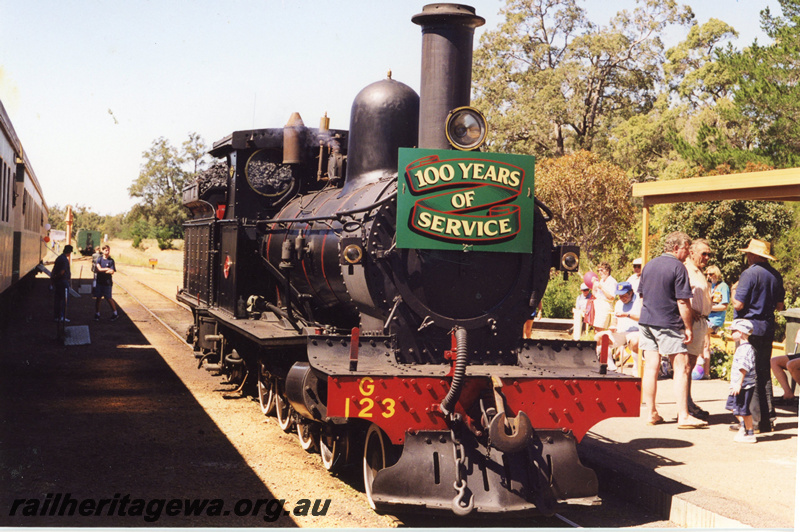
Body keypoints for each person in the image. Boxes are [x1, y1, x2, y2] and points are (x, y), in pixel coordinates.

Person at [638, 231, 706, 428]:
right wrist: (688, 328)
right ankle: (683, 416)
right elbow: (683, 302)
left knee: (651, 368)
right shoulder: (678, 267)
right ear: (676, 248)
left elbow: (642, 297)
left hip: (646, 321)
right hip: (668, 322)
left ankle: (651, 413)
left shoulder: (649, 265)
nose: (688, 253)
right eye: (686, 249)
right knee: (682, 366)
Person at [733, 239, 785, 433]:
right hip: (767, 326)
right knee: (763, 372)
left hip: (749, 328)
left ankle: (752, 422)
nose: (747, 256)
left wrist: (733, 293)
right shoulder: (775, 275)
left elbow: (738, 304)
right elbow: (779, 306)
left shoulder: (749, 274)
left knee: (748, 372)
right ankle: (767, 419)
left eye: (748, 253)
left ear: (754, 255)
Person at [684, 239, 713, 421]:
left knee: (692, 363)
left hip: (701, 321)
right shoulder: (686, 270)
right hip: (692, 323)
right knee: (686, 365)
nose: (707, 257)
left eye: (709, 254)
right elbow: (677, 294)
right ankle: (685, 405)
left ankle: (688, 402)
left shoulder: (700, 271)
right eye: (704, 254)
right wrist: (688, 310)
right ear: (692, 253)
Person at [596, 281, 641, 374]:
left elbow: (643, 318)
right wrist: (613, 326)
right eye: (620, 296)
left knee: (635, 341)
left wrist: (627, 315)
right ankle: (610, 366)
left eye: (624, 296)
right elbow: (615, 319)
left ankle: (636, 368)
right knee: (599, 337)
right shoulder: (618, 303)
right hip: (620, 332)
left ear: (631, 292)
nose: (622, 298)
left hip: (635, 331)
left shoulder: (639, 301)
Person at [725, 319, 758, 443]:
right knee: (732, 406)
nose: (731, 333)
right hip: (738, 385)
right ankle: (743, 426)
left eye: (733, 331)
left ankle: (750, 432)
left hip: (744, 386)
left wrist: (739, 384)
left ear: (741, 332)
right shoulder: (741, 348)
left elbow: (743, 368)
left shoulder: (745, 349)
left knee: (744, 410)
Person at [702, 265, 729, 375]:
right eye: (706, 274)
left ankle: (703, 369)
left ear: (716, 274)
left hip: (715, 319)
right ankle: (705, 372)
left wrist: (709, 308)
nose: (708, 276)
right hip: (705, 318)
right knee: (704, 343)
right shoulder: (708, 286)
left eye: (711, 274)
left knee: (702, 339)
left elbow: (724, 306)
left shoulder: (723, 287)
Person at [93, 245, 119, 321]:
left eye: (108, 250)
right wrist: (107, 269)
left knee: (109, 298)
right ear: (103, 251)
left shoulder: (111, 260)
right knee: (98, 298)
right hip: (99, 282)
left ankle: (115, 313)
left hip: (107, 283)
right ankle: (97, 314)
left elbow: (112, 271)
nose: (107, 252)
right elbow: (98, 269)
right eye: (106, 250)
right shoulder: (99, 259)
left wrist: (103, 270)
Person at [591, 262, 617, 333]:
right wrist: (594, 284)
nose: (600, 272)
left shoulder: (612, 281)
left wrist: (601, 287)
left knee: (600, 330)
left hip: (605, 307)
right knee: (596, 330)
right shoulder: (601, 281)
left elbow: (611, 297)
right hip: (598, 306)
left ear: (607, 270)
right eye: (598, 270)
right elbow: (595, 294)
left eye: (602, 270)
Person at [52, 244, 73, 322]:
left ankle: (56, 316)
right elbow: (62, 271)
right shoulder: (64, 260)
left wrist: (54, 279)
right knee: (65, 300)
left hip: (58, 281)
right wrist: (59, 277)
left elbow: (54, 270)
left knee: (57, 300)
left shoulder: (59, 258)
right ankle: (62, 316)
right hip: (63, 281)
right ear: (69, 252)